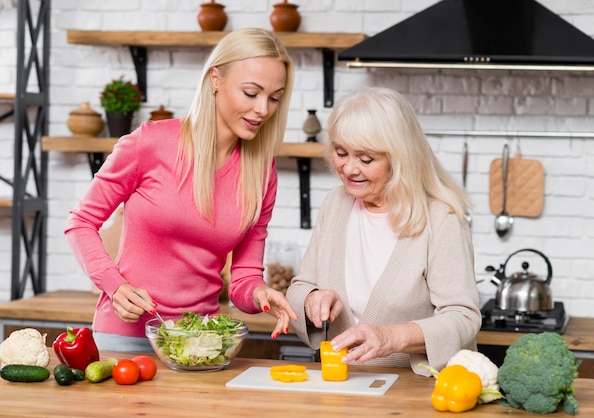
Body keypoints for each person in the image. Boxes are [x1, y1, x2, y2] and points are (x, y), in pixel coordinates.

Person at [65, 27, 298, 352]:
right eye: (251, 92)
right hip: (126, 340)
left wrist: (259, 293)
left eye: (274, 98)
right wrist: (114, 286)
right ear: (215, 79)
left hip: (200, 345)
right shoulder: (150, 143)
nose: (263, 109)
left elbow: (244, 276)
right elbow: (80, 222)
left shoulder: (261, 172)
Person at [286, 87, 481, 375]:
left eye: (366, 159)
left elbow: (462, 317)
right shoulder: (336, 203)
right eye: (341, 153)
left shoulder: (440, 218)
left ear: (399, 158)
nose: (349, 169)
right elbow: (299, 287)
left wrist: (389, 338)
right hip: (340, 388)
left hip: (416, 393)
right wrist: (311, 298)